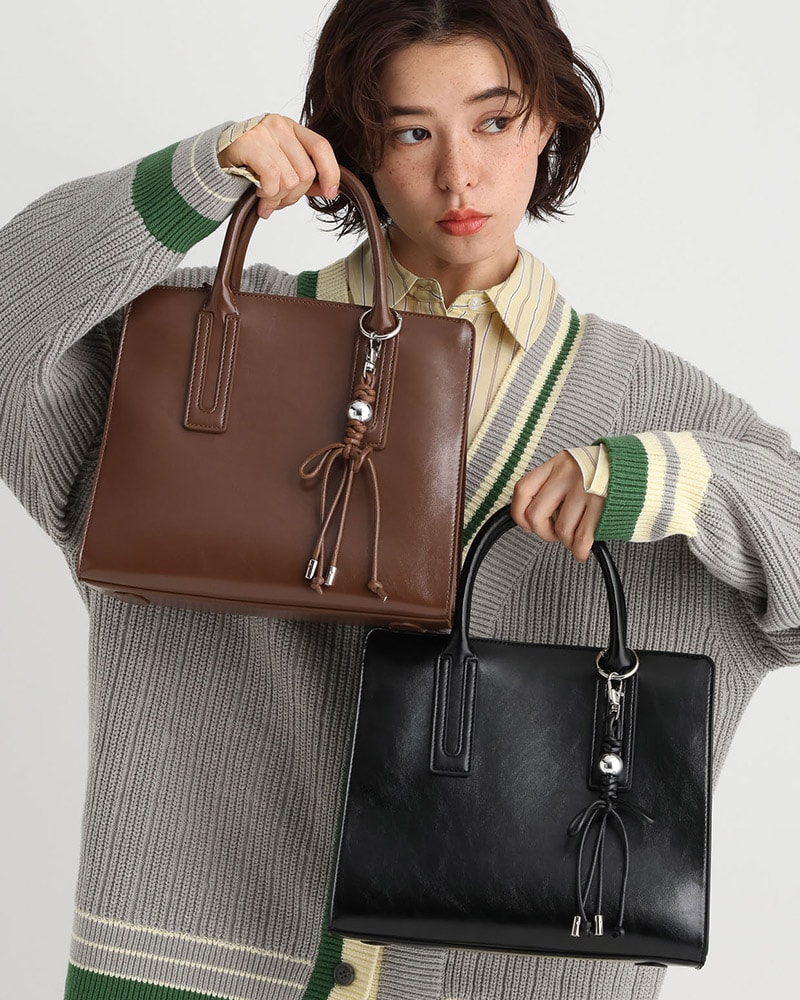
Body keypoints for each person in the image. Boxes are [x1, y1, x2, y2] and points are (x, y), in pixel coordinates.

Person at [1, 2, 798, 999]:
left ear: (549, 121)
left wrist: (680, 483)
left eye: (493, 121)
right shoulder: (199, 357)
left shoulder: (647, 403)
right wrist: (193, 178)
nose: (459, 176)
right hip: (190, 972)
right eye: (410, 132)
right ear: (358, 146)